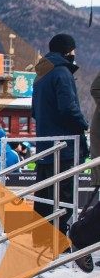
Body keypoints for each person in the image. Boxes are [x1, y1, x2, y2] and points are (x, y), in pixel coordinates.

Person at [31, 33, 90, 244]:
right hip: (64, 148)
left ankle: (42, 242)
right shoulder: (62, 72)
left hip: (45, 148)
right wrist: (84, 125)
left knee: (45, 198)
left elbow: (34, 112)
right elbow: (68, 108)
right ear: (68, 51)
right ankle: (60, 244)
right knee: (63, 199)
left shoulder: (40, 76)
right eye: (73, 51)